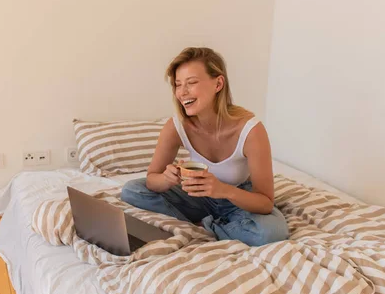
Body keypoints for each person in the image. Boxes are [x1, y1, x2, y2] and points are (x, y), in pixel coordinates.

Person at [121, 47, 289, 246]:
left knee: (271, 232)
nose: (182, 93)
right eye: (178, 84)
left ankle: (205, 226)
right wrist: (166, 179)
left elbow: (265, 202)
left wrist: (223, 190)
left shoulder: (250, 130)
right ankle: (219, 226)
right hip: (197, 196)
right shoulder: (176, 127)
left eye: (191, 83)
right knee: (132, 190)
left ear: (218, 83)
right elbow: (151, 180)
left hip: (236, 198)